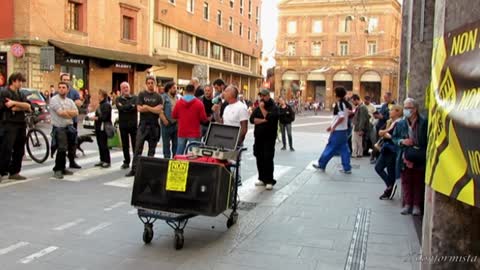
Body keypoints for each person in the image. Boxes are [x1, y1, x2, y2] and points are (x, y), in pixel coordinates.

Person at [393, 98, 427, 216]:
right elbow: (394, 138)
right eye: (405, 107)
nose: (406, 110)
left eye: (409, 108)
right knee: (406, 181)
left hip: (419, 155)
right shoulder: (401, 123)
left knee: (418, 180)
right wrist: (402, 141)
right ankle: (407, 204)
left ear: (415, 109)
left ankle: (416, 205)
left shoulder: (423, 122)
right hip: (405, 156)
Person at [125, 77, 163, 177]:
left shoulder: (158, 97)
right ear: (146, 84)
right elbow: (139, 109)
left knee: (152, 150)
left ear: (154, 84)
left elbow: (159, 110)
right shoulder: (141, 95)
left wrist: (147, 107)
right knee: (137, 149)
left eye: (152, 83)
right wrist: (152, 109)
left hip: (154, 126)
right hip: (143, 126)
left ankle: (148, 171)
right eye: (149, 83)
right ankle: (134, 169)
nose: (150, 84)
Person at [312, 86, 352, 174]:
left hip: (338, 130)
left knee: (330, 147)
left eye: (334, 93)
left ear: (337, 94)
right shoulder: (346, 103)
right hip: (344, 130)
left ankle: (321, 164)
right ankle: (347, 167)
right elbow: (347, 115)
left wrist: (333, 127)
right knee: (344, 148)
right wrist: (332, 126)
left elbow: (341, 117)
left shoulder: (339, 104)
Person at [0, 72, 31, 181]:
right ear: (14, 81)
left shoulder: (21, 93)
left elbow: (28, 106)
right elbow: (9, 107)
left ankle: (14, 171)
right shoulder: (4, 92)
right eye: (20, 81)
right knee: (6, 149)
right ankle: (1, 171)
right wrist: (20, 106)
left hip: (20, 123)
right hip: (8, 123)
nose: (21, 83)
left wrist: (15, 103)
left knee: (19, 149)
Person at [250, 89, 279, 190]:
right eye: (260, 96)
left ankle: (269, 180)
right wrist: (263, 120)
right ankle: (262, 178)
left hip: (269, 138)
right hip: (258, 137)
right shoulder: (258, 107)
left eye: (263, 96)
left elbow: (271, 118)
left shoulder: (274, 107)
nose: (261, 98)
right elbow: (252, 119)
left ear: (267, 96)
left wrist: (262, 110)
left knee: (268, 158)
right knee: (259, 157)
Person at [49, 82, 78, 179]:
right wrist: (69, 113)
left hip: (69, 127)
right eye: (60, 87)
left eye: (63, 87)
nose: (61, 89)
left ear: (67, 90)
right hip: (59, 127)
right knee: (61, 148)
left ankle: (63, 167)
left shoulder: (70, 101)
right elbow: (60, 113)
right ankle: (57, 169)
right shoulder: (54, 99)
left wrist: (67, 113)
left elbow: (76, 112)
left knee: (68, 147)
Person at [375, 105, 403, 200]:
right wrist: (385, 133)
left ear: (398, 112)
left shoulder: (399, 123)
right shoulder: (390, 121)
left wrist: (386, 134)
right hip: (386, 148)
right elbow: (380, 132)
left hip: (392, 149)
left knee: (390, 171)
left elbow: (392, 135)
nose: (390, 112)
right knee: (378, 167)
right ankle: (390, 185)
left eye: (392, 110)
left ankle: (389, 188)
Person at [172, 84, 208, 155]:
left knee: (179, 153)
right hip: (194, 132)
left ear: (185, 91)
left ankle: (177, 165)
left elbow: (174, 115)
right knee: (194, 155)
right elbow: (204, 119)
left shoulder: (179, 103)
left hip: (182, 131)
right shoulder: (199, 103)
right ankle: (193, 166)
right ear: (194, 91)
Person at [60, 73, 83, 169]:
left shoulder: (74, 91)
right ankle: (61, 164)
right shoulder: (59, 92)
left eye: (67, 79)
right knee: (62, 143)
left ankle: (72, 161)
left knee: (73, 142)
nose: (66, 81)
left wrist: (75, 103)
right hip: (61, 122)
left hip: (72, 121)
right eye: (64, 79)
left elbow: (79, 103)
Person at [115, 82, 138, 169]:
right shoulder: (118, 99)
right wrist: (130, 106)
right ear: (121, 90)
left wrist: (125, 107)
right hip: (123, 125)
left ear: (129, 88)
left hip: (133, 125)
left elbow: (134, 107)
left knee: (135, 144)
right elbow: (120, 108)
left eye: (127, 87)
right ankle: (126, 161)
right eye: (124, 87)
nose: (126, 89)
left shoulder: (135, 98)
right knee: (125, 145)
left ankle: (135, 162)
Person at [92, 89, 112, 168]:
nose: (98, 96)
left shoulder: (106, 105)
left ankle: (107, 161)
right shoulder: (101, 104)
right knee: (100, 144)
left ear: (103, 96)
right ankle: (102, 159)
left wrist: (96, 118)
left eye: (99, 94)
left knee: (104, 145)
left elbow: (105, 117)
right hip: (98, 127)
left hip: (103, 127)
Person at [159, 81, 178, 158]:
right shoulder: (163, 97)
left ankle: (175, 159)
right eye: (174, 88)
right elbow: (160, 110)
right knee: (166, 145)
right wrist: (164, 120)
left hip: (175, 124)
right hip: (166, 125)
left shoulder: (177, 98)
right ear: (169, 89)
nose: (175, 90)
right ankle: (166, 161)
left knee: (176, 144)